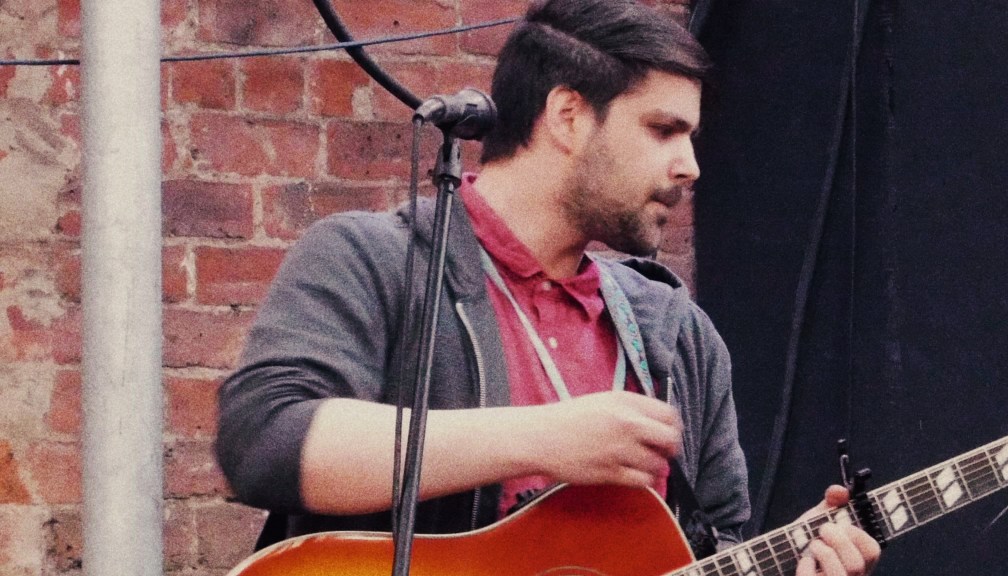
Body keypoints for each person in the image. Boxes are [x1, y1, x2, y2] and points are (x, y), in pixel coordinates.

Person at [216, 1, 881, 574]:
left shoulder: (679, 336)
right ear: (567, 115)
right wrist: (545, 437)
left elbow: (719, 546)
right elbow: (265, 442)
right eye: (663, 130)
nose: (690, 166)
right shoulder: (374, 259)